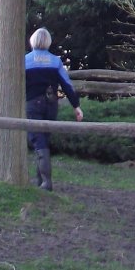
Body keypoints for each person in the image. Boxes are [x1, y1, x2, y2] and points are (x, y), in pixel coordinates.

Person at [24, 27, 83, 190]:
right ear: (48, 42)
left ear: (33, 41)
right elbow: (67, 85)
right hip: (51, 104)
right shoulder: (55, 61)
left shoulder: (25, 61)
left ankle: (46, 182)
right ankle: (40, 181)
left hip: (32, 104)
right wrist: (76, 106)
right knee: (44, 140)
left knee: (37, 140)